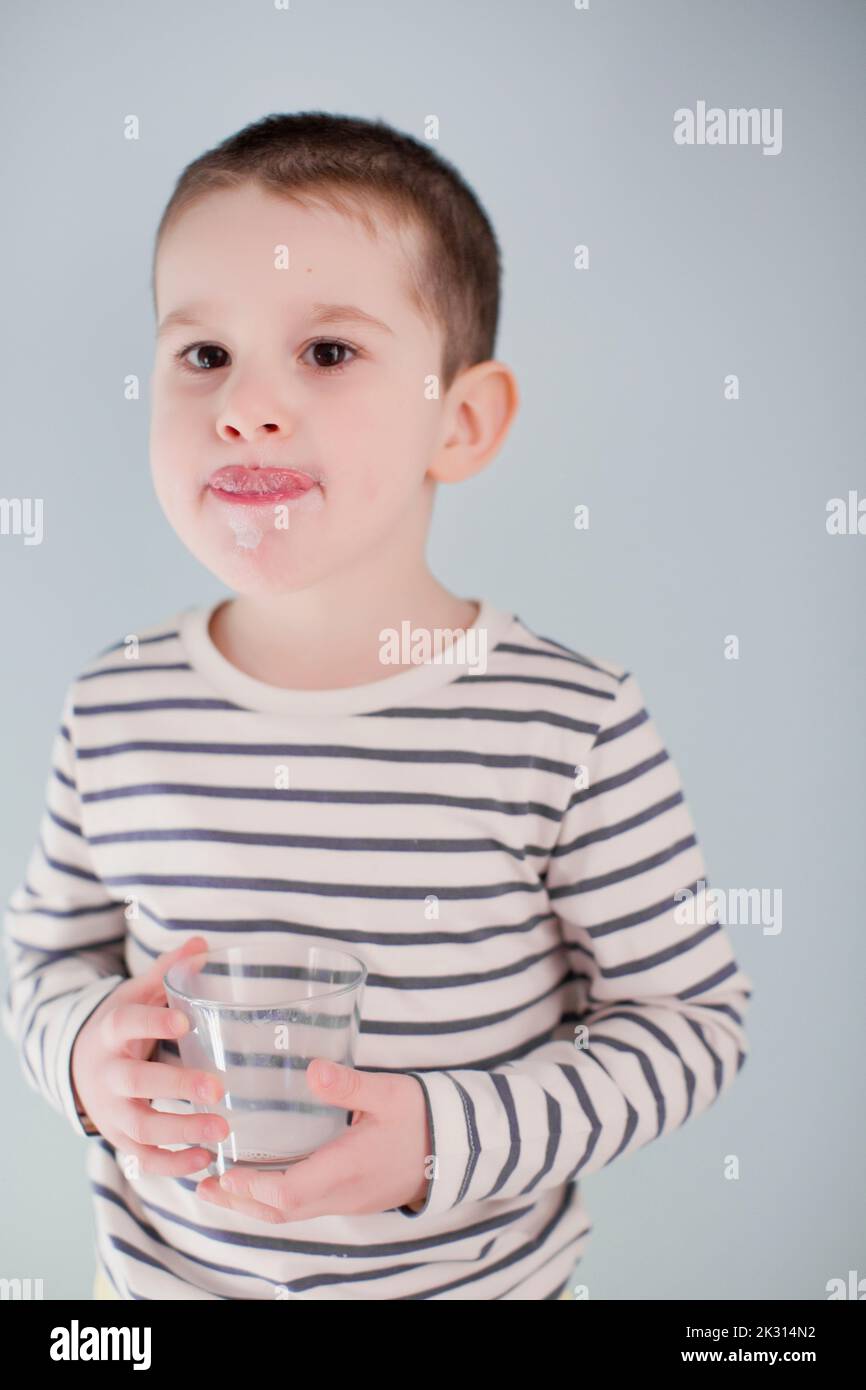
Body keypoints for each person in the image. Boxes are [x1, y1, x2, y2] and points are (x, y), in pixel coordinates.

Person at [2, 111, 753, 1301]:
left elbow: (688, 1023)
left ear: (459, 420)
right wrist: (85, 1059)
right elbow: (45, 957)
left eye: (328, 353)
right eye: (203, 356)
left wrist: (441, 1138)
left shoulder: (568, 723)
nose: (245, 407)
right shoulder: (115, 704)